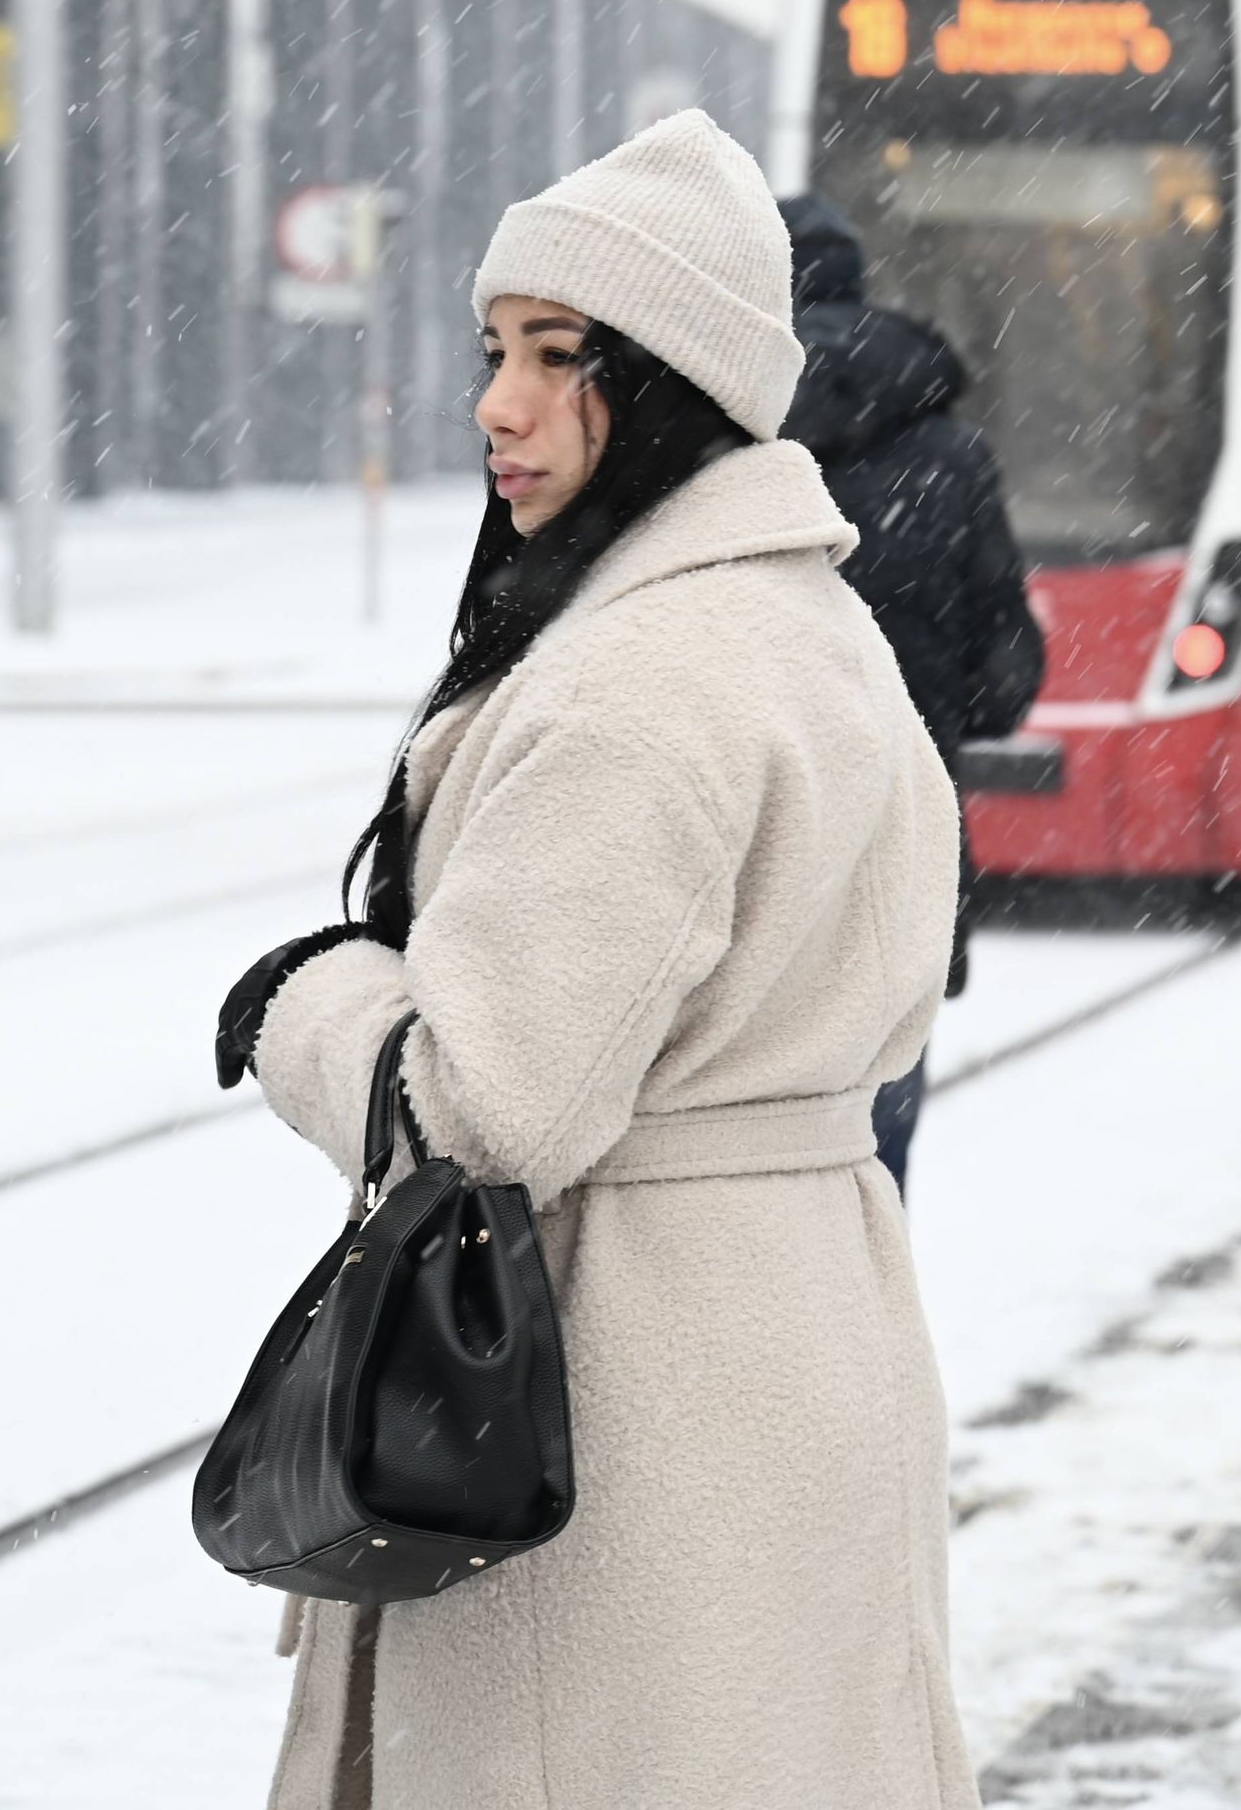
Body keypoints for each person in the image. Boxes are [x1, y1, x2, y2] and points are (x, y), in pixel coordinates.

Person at [214, 112, 977, 1809]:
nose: (499, 401)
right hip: (794, 1339)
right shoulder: (811, 628)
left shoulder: (642, 681)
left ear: (679, 382)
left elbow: (487, 1107)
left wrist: (300, 1003)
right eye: (495, 348)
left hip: (629, 1409)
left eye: (561, 357)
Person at [779, 195, 1045, 1192]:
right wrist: (930, 700)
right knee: (876, 1143)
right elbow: (1009, 670)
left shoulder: (719, 435)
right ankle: (864, 1316)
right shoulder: (949, 451)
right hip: (901, 830)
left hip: (755, 834)